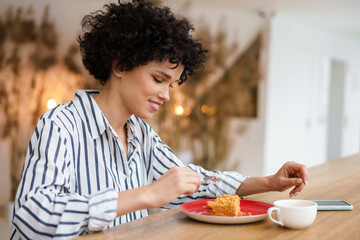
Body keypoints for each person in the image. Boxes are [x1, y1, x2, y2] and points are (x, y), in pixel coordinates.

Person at [10, 0, 308, 239]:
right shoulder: (61, 125)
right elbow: (33, 218)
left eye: (171, 84)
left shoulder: (140, 133)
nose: (166, 95)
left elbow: (189, 182)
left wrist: (268, 181)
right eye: (158, 79)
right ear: (120, 65)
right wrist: (147, 195)